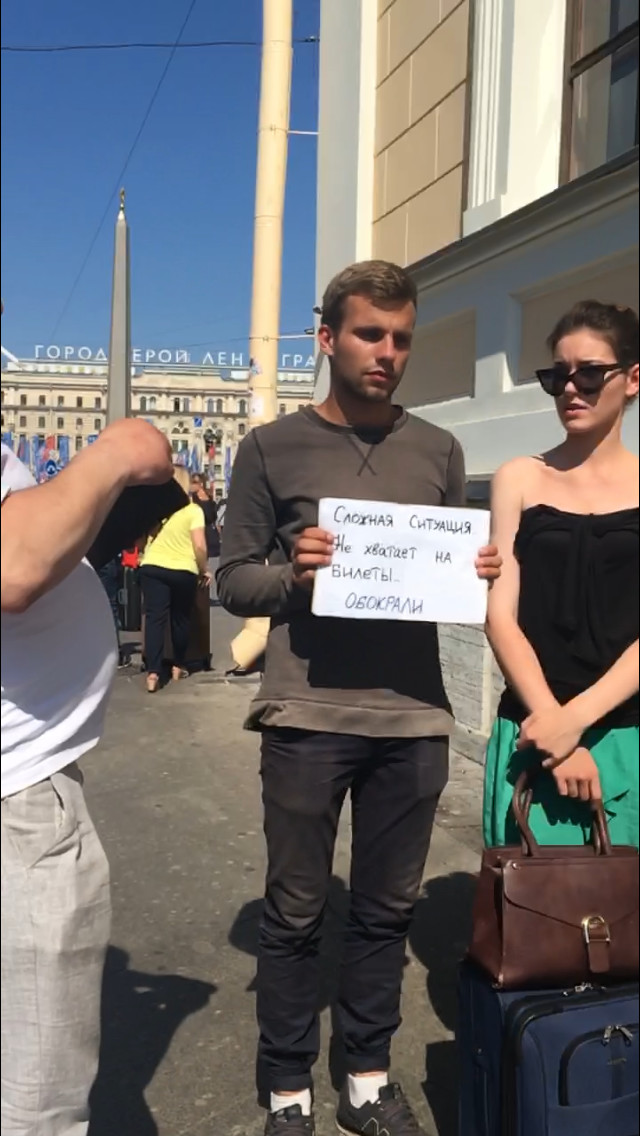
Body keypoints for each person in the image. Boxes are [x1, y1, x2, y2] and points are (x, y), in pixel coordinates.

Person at [216, 260, 502, 1136]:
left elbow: (449, 580)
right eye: (370, 334)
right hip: (306, 715)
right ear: (328, 337)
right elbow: (234, 579)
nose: (388, 353)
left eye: (402, 338)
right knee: (296, 911)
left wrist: (476, 570)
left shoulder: (441, 451)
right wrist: (297, 576)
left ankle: (368, 1077)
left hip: (413, 720)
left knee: (387, 911)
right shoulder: (270, 448)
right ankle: (288, 1086)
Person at [1, 417, 172, 1136]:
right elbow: (14, 569)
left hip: (23, 780)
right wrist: (114, 454)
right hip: (17, 795)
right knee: (39, 1099)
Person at [484, 300, 639, 848]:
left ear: (633, 379)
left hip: (629, 734)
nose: (571, 389)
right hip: (533, 728)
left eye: (590, 374)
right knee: (532, 916)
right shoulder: (519, 477)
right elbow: (499, 616)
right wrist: (556, 728)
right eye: (557, 377)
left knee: (622, 920)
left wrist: (577, 723)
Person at [140, 465, 211, 693]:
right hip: (183, 569)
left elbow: (142, 539)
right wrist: (204, 569)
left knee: (154, 619)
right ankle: (178, 665)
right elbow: (199, 545)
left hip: (152, 566)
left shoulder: (157, 509)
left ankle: (153, 672)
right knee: (180, 619)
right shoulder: (193, 511)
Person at [190, 473, 220, 560]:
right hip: (197, 536)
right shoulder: (191, 498)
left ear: (201, 484)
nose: (191, 485)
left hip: (208, 537)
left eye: (194, 482)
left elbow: (212, 517)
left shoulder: (209, 500)